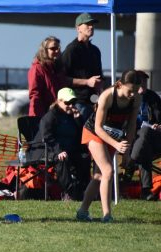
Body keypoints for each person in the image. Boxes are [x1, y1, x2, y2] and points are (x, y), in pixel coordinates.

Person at [78, 70, 142, 223]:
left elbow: (132, 125)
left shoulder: (136, 98)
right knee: (108, 171)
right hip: (94, 132)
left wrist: (126, 151)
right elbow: (98, 128)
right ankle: (107, 215)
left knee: (100, 176)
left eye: (136, 90)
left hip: (114, 137)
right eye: (130, 91)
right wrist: (116, 145)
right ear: (119, 85)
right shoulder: (107, 96)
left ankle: (82, 211)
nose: (133, 94)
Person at [35, 87, 90, 200]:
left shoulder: (72, 116)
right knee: (62, 158)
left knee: (84, 157)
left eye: (73, 102)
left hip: (69, 149)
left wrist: (78, 120)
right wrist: (58, 151)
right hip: (47, 150)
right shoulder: (50, 117)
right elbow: (47, 137)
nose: (71, 105)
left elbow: (81, 136)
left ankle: (82, 189)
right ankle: (70, 191)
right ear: (59, 101)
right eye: (67, 102)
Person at [61, 13, 103, 120]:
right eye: (87, 24)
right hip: (78, 103)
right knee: (79, 134)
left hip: (94, 102)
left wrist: (101, 95)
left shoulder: (95, 51)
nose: (91, 26)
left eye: (92, 24)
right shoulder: (71, 50)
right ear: (78, 28)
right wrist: (87, 82)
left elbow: (99, 77)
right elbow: (61, 79)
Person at [128, 71, 161, 201]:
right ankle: (146, 190)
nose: (143, 84)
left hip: (154, 136)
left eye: (144, 81)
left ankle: (131, 162)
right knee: (144, 146)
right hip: (132, 137)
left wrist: (158, 126)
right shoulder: (128, 98)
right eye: (140, 81)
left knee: (145, 134)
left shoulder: (153, 98)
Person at [28, 36, 67, 117]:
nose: (57, 51)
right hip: (44, 115)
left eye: (58, 48)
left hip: (59, 114)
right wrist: (36, 117)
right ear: (45, 50)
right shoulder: (37, 68)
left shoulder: (59, 69)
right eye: (53, 48)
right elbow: (35, 95)